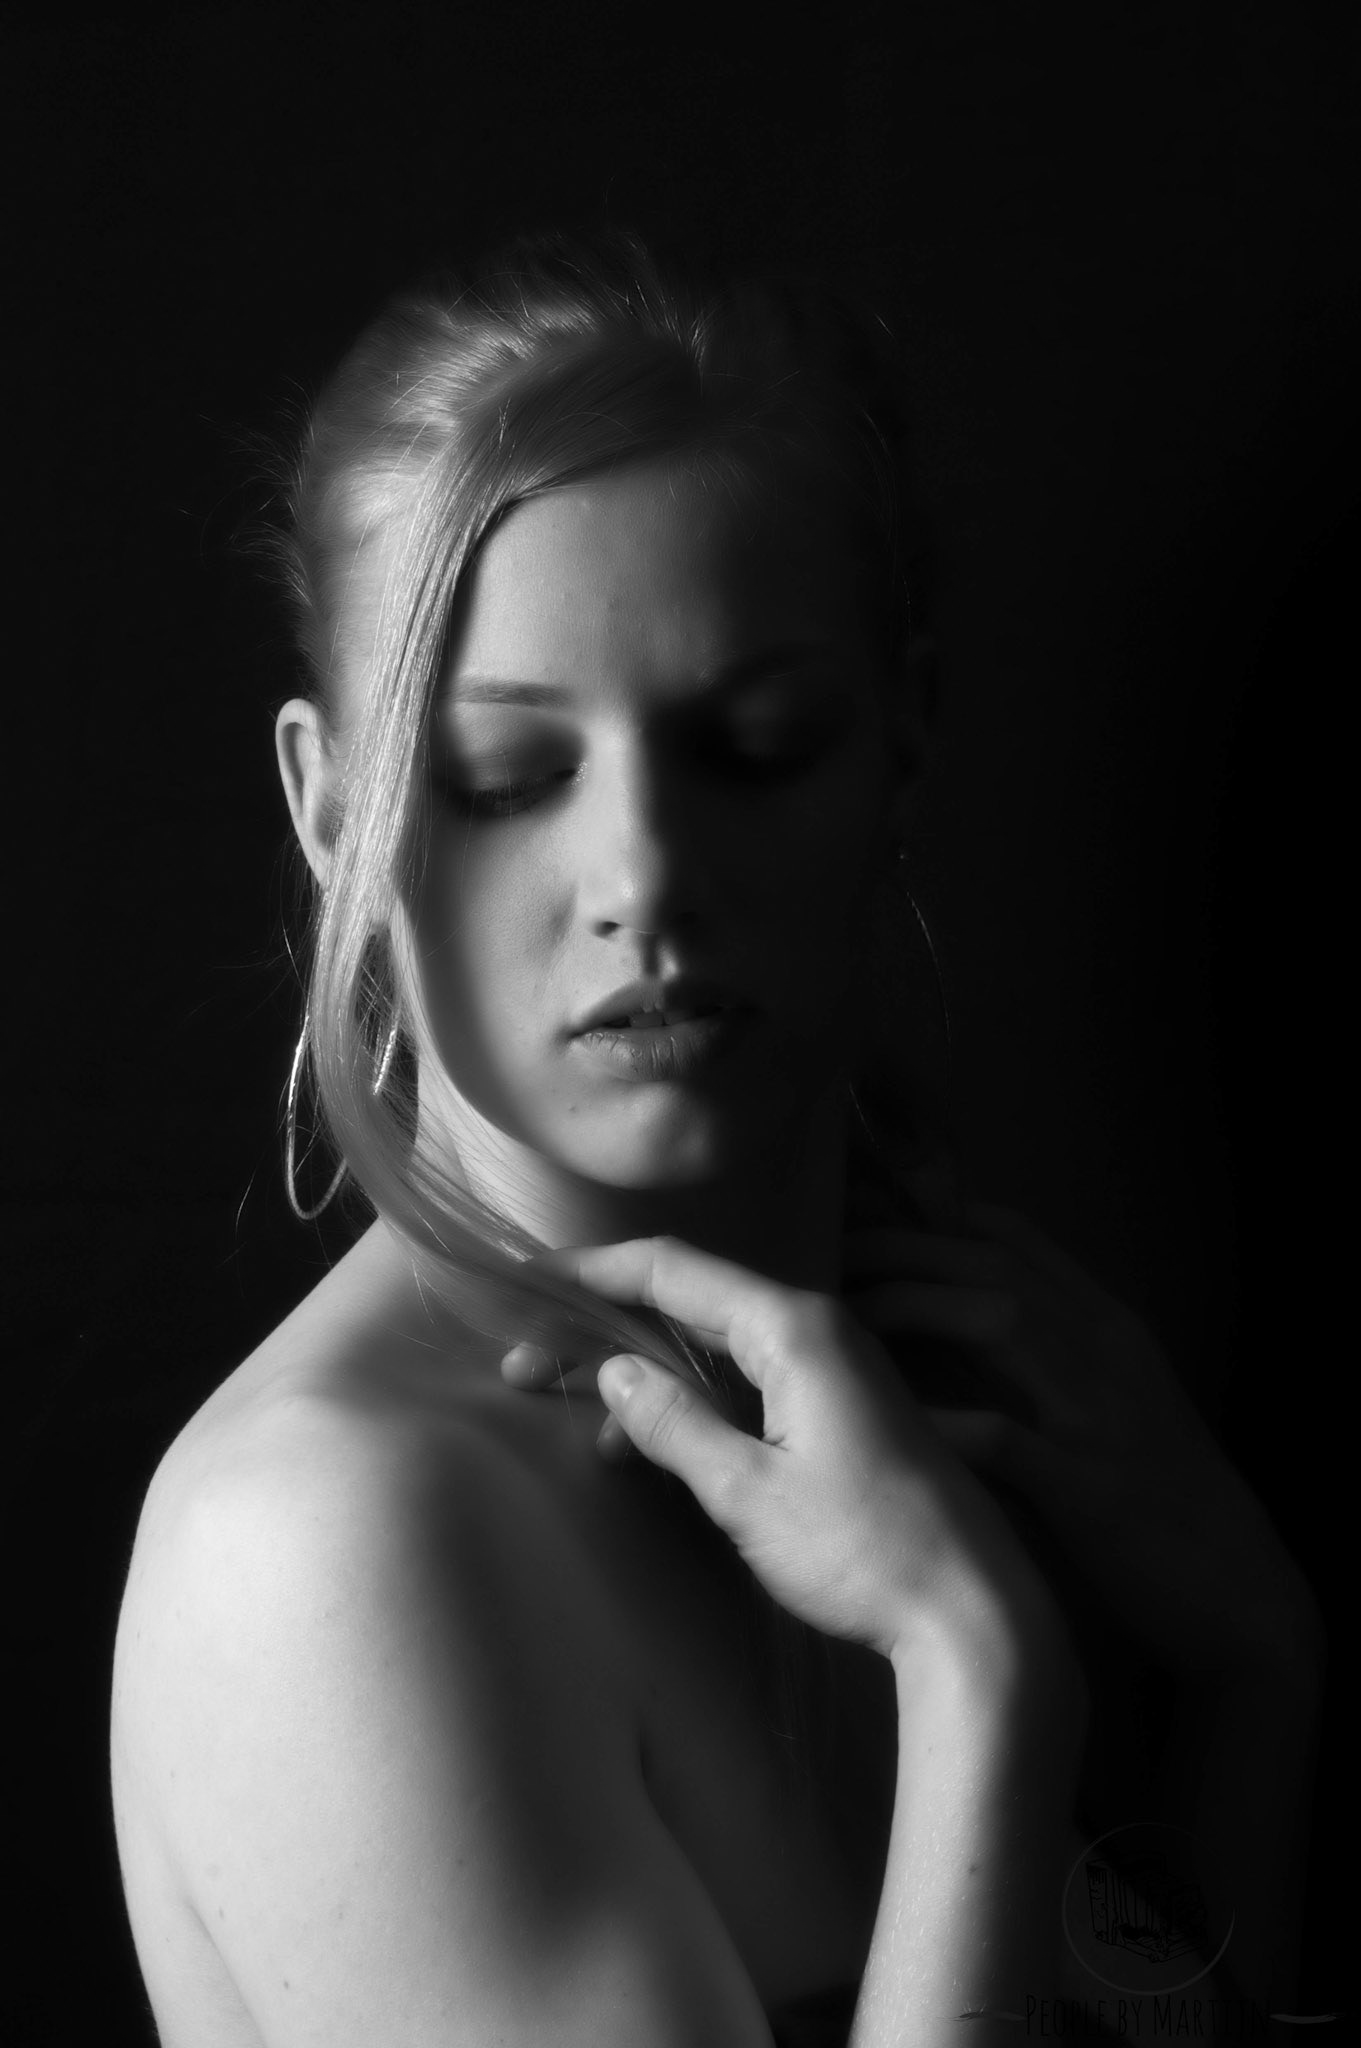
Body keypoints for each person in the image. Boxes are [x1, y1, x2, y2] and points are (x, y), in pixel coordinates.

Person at [110, 229, 1321, 2048]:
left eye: (756, 746)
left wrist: (1245, 1670)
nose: (645, 877)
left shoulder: (933, 1407)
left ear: (901, 736)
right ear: (328, 805)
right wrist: (977, 1673)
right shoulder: (330, 1543)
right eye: (506, 778)